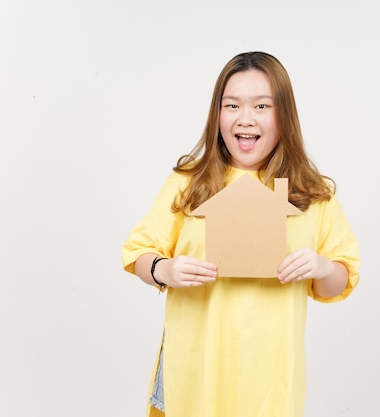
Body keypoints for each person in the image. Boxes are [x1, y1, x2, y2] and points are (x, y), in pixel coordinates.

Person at [122, 51, 361, 417]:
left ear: (284, 115)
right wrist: (163, 270)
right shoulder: (189, 182)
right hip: (193, 368)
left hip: (268, 379)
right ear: (217, 114)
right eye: (231, 105)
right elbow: (140, 253)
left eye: (262, 106)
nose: (245, 118)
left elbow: (339, 280)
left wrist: (322, 267)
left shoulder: (311, 194)